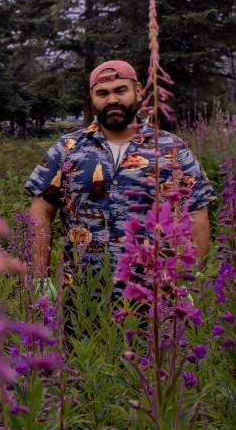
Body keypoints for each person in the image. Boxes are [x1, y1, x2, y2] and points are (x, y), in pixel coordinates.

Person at [25, 59, 214, 293]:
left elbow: (196, 212)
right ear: (92, 98)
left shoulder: (171, 149)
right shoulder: (67, 148)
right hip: (81, 297)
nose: (112, 99)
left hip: (154, 297)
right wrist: (39, 276)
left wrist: (189, 280)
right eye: (102, 93)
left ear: (137, 90)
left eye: (120, 90)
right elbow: (41, 210)